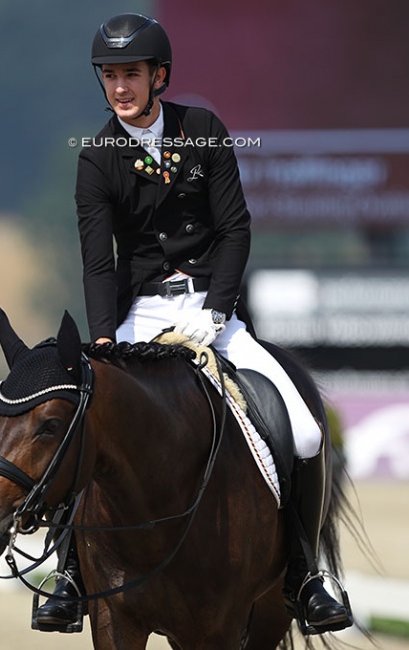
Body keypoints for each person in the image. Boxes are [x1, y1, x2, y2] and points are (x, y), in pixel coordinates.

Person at [35, 12, 353, 635]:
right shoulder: (97, 159)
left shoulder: (203, 130)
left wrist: (216, 311)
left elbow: (236, 228)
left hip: (216, 312)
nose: (120, 87)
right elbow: (99, 262)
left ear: (159, 76)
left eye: (131, 74)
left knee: (306, 431)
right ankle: (71, 575)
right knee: (86, 422)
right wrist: (103, 338)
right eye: (109, 75)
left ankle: (306, 573)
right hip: (140, 315)